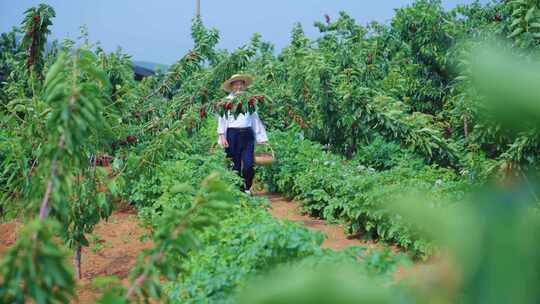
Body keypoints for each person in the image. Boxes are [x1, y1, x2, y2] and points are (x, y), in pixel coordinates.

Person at [217, 74, 268, 195]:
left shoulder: (249, 101)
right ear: (231, 86)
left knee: (248, 165)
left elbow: (255, 119)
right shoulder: (227, 102)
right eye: (236, 84)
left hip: (247, 135)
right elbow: (222, 119)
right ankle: (236, 189)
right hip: (232, 135)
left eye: (241, 84)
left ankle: (247, 187)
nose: (238, 86)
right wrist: (222, 136)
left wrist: (262, 138)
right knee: (234, 164)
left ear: (244, 86)